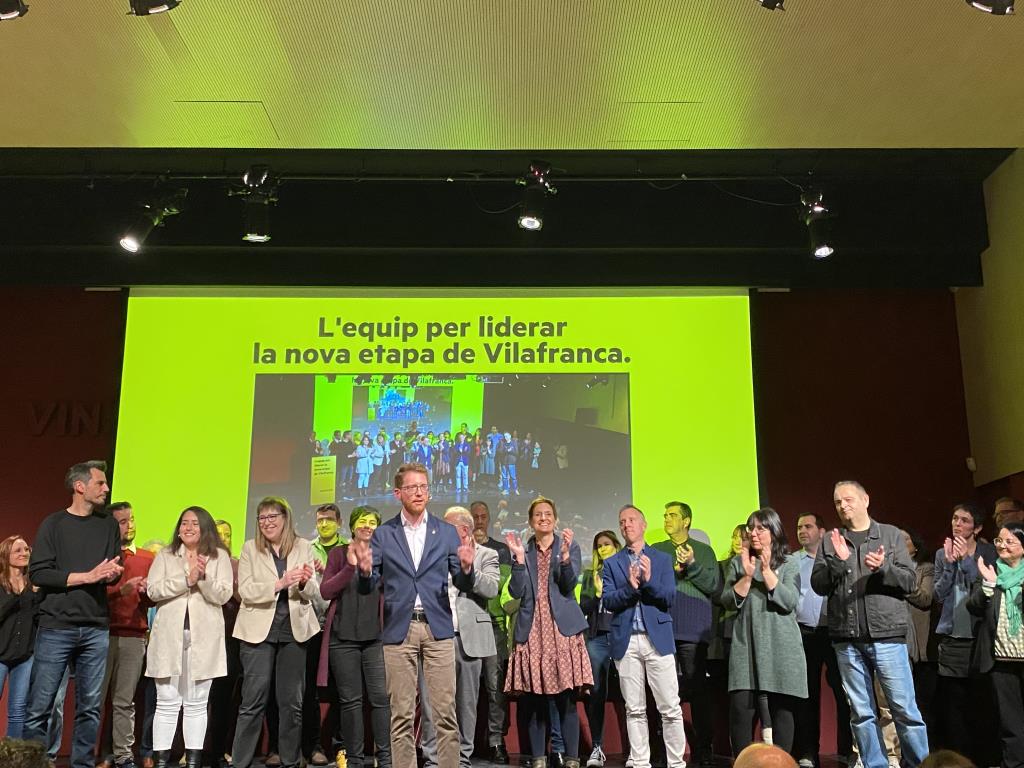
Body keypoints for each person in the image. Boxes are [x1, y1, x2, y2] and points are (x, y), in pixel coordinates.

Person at [352, 462, 475, 768]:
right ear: (398, 493)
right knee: (401, 714)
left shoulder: (446, 532)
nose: (419, 493)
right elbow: (368, 587)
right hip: (399, 629)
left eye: (424, 487)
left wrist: (468, 567)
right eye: (412, 487)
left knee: (445, 712)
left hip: (438, 628)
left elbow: (460, 581)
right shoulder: (383, 534)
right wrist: (365, 571)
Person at [811, 480, 929, 768]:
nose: (843, 505)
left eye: (848, 499)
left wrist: (884, 569)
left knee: (904, 710)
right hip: (847, 639)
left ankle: (919, 764)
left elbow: (910, 581)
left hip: (887, 636)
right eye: (838, 501)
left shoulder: (889, 535)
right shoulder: (831, 540)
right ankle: (875, 765)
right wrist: (839, 562)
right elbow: (818, 584)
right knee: (861, 712)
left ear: (865, 500)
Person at [23, 460, 124, 768]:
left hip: (95, 627)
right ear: (80, 487)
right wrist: (87, 576)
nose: (106, 488)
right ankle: (33, 763)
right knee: (40, 707)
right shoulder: (53, 524)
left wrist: (111, 574)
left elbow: (113, 570)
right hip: (57, 627)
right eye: (100, 483)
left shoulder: (107, 524)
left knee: (90, 708)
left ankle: (82, 764)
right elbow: (39, 573)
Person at [231, 496, 324, 768]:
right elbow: (245, 591)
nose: (267, 522)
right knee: (253, 701)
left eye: (273, 517)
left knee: (291, 703)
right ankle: (240, 762)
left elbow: (314, 593)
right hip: (257, 632)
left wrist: (305, 582)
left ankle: (291, 761)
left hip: (295, 632)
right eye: (262, 518)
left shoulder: (304, 546)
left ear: (286, 519)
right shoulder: (250, 549)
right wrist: (280, 583)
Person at [504, 496, 593, 768]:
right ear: (531, 522)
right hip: (532, 629)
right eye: (538, 515)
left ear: (555, 518)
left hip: (560, 629)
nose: (543, 518)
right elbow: (515, 592)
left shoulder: (570, 546)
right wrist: (518, 561)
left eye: (548, 514)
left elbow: (568, 587)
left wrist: (565, 559)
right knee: (534, 700)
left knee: (565, 699)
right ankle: (539, 758)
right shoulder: (524, 549)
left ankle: (572, 759)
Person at [145, 506, 233, 768]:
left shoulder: (219, 557)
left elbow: (224, 595)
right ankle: (161, 761)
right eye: (184, 523)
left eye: (195, 523)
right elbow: (153, 590)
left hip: (203, 640)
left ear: (205, 527)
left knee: (196, 703)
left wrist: (202, 578)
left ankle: (194, 761)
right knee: (167, 702)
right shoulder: (166, 555)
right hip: (168, 639)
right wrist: (187, 578)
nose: (188, 528)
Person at [602, 505, 686, 768]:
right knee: (634, 709)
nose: (626, 525)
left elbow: (669, 597)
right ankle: (640, 762)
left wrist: (648, 581)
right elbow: (609, 601)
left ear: (643, 524)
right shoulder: (612, 563)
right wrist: (631, 587)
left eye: (631, 520)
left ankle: (676, 763)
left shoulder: (660, 559)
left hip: (657, 640)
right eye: (622, 521)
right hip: (626, 642)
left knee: (670, 708)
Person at [419, 506, 500, 768]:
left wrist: (467, 569)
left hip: (469, 639)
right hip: (435, 635)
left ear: (463, 530)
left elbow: (491, 588)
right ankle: (432, 760)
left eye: (447, 527)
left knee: (466, 704)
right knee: (432, 703)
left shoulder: (487, 554)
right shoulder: (432, 553)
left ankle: (462, 759)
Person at [722, 507, 806, 755]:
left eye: (761, 527)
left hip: (781, 644)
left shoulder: (790, 563)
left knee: (782, 710)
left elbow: (789, 601)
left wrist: (767, 570)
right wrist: (747, 577)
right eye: (751, 527)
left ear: (774, 531)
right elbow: (727, 600)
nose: (754, 533)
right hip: (746, 644)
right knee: (740, 708)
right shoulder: (739, 563)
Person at [318, 506, 391, 768]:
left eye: (373, 522)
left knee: (381, 699)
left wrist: (371, 571)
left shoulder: (385, 556)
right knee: (350, 702)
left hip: (375, 638)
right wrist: (350, 567)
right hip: (343, 639)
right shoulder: (338, 554)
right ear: (352, 525)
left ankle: (385, 759)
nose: (367, 526)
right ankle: (356, 760)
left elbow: (393, 592)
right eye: (363, 521)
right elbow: (326, 591)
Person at [652, 501, 720, 768]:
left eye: (672, 515)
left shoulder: (703, 551)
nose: (667, 519)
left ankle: (704, 748)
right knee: (663, 691)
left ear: (687, 521)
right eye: (665, 514)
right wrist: (674, 572)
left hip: (692, 629)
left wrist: (691, 565)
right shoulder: (657, 551)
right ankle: (663, 748)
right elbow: (651, 584)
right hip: (662, 627)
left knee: (696, 689)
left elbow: (713, 585)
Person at [932, 503, 997, 763]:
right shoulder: (941, 554)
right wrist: (949, 565)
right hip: (952, 640)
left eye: (965, 520)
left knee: (980, 706)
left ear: (977, 527)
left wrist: (967, 562)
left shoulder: (988, 552)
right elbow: (937, 594)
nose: (957, 524)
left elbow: (985, 590)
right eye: (955, 518)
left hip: (979, 639)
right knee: (953, 709)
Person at [97, 502, 155, 768]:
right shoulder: (99, 555)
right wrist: (120, 592)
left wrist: (146, 593)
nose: (129, 525)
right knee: (94, 700)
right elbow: (91, 596)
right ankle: (92, 752)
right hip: (101, 634)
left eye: (131, 519)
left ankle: (122, 755)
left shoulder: (146, 557)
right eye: (122, 521)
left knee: (124, 700)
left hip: (133, 636)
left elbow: (153, 600)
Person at [792, 513, 852, 768]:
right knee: (807, 695)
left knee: (845, 692)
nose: (802, 531)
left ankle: (849, 749)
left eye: (808, 526)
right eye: (798, 527)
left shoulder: (837, 556)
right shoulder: (792, 561)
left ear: (822, 531)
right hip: (804, 633)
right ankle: (808, 752)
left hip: (835, 632)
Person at [968, 521, 1024, 768]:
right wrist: (989, 585)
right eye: (999, 541)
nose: (1002, 546)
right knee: (1010, 722)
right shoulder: (992, 572)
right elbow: (974, 606)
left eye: (1009, 541)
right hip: (1001, 660)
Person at [471, 500, 513, 763]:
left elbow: (499, 588)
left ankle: (496, 741)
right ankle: (466, 741)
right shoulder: (457, 549)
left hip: (494, 626)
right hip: (463, 628)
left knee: (495, 689)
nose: (478, 521)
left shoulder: (501, 550)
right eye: (474, 516)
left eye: (483, 516)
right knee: (465, 689)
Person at [579, 530, 621, 768]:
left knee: (631, 691)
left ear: (616, 546)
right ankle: (597, 747)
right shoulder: (590, 575)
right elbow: (583, 605)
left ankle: (641, 748)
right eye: (599, 546)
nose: (603, 549)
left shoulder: (625, 571)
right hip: (597, 638)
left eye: (607, 544)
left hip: (622, 636)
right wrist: (596, 592)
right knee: (596, 692)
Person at [203, 521, 242, 768]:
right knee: (196, 699)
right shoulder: (199, 563)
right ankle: (193, 750)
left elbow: (240, 597)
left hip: (229, 640)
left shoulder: (237, 564)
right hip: (201, 638)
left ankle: (218, 750)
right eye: (220, 534)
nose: (224, 539)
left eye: (228, 535)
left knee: (222, 700)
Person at [0, 535, 42, 738]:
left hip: (25, 656)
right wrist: (17, 595)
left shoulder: (33, 584)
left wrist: (33, 594)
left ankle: (12, 758)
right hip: (0, 654)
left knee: (18, 711)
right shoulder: (1, 584)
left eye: (26, 549)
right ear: (6, 555)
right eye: (18, 550)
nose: (24, 553)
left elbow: (37, 617)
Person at [901, 527, 937, 746]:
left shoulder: (926, 569)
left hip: (920, 646)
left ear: (916, 546)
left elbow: (925, 598)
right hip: (897, 642)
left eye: (905, 539)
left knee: (923, 702)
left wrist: (900, 582)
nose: (900, 543)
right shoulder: (889, 568)